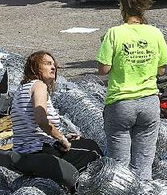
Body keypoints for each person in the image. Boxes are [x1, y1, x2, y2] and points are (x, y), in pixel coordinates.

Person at [97, 0, 167, 180]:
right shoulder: (155, 33)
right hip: (148, 102)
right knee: (143, 164)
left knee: (119, 166)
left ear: (122, 6)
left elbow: (103, 70)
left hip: (121, 102)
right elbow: (162, 69)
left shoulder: (114, 34)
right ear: (145, 7)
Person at [10, 51, 102, 187]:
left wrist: (63, 135)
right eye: (47, 64)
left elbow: (32, 126)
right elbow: (41, 120)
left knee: (83, 143)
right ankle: (83, 191)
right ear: (35, 67)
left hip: (25, 149)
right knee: (93, 149)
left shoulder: (22, 88)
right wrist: (61, 138)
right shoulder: (39, 86)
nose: (53, 67)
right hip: (38, 150)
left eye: (54, 64)